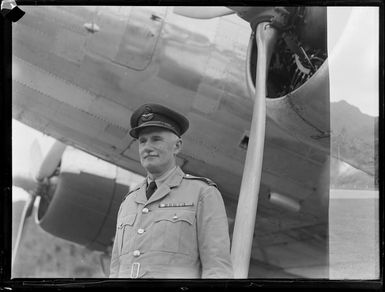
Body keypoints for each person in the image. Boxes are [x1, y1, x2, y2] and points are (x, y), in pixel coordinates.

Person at [109, 103, 233, 278]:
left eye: (156, 139)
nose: (147, 147)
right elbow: (115, 269)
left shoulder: (203, 193)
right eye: (142, 141)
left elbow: (217, 269)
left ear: (177, 146)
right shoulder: (129, 201)